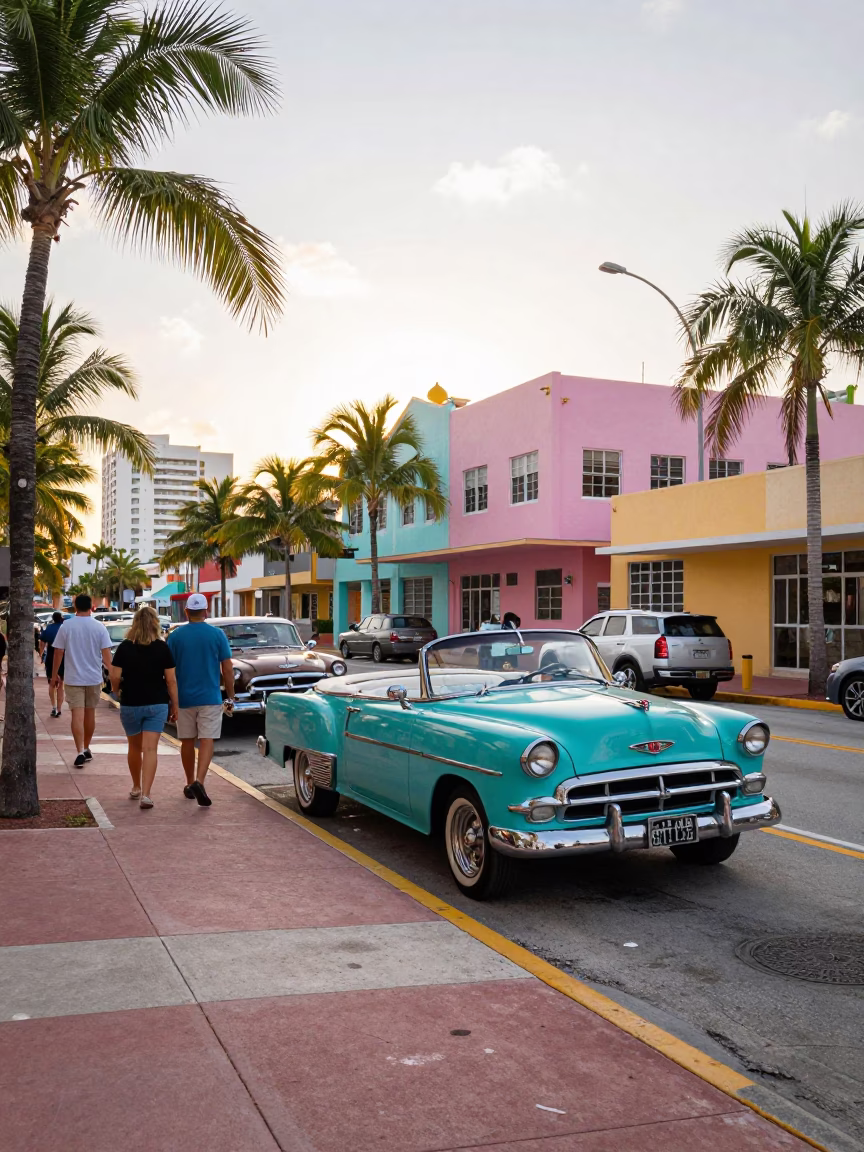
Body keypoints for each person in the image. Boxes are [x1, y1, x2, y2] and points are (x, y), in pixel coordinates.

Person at [166, 593, 235, 806]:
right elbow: (228, 667)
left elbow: (169, 670)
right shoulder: (217, 635)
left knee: (187, 740)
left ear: (186, 611)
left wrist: (171, 699)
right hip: (210, 697)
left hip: (184, 697)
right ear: (206, 612)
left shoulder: (175, 636)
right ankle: (200, 781)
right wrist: (230, 695)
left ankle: (189, 783)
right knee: (207, 739)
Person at [110, 606, 179, 809]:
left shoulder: (124, 647)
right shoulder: (162, 647)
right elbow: (171, 681)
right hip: (156, 703)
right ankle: (147, 794)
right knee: (150, 749)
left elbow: (114, 675)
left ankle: (136, 786)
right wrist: (174, 704)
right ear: (155, 623)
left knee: (134, 747)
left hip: (131, 702)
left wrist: (116, 690)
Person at [50, 595, 112, 768]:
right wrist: (115, 677)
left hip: (73, 677)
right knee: (90, 714)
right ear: (91, 607)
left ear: (75, 607)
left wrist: (54, 675)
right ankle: (86, 748)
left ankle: (79, 751)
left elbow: (58, 653)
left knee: (77, 715)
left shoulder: (67, 626)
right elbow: (107, 658)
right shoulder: (99, 627)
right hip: (93, 678)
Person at [40, 611, 66, 717]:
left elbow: (42, 644)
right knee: (61, 684)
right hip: (64, 658)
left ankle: (53, 707)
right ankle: (59, 708)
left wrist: (41, 655)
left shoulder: (49, 628)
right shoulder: (64, 628)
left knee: (52, 683)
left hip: (50, 658)